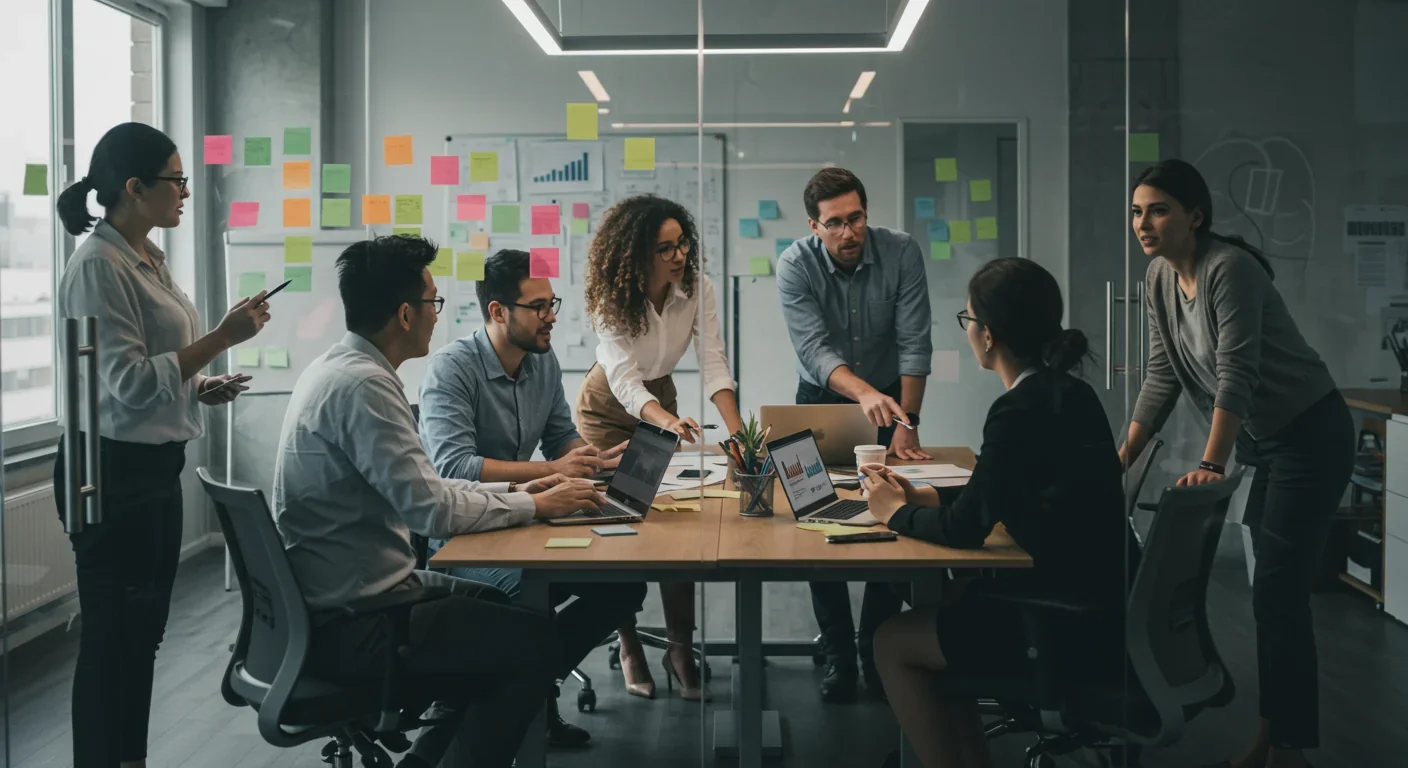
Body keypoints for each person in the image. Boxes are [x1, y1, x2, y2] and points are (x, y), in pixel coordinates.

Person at [273, 234, 608, 768]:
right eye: (433, 302)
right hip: (358, 619)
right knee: (535, 645)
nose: (437, 314)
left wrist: (524, 491)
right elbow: (431, 510)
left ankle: (431, 759)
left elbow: (430, 487)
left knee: (500, 617)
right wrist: (537, 504)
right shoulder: (364, 389)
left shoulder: (340, 369)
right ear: (405, 314)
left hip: (348, 597)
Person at [861, 257, 1137, 768]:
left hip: (1062, 623)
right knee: (948, 602)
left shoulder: (1017, 409)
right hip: (1103, 603)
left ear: (987, 336)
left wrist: (893, 513)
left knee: (891, 641)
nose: (969, 333)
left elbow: (967, 529)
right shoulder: (1070, 393)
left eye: (968, 321)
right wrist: (923, 497)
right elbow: (1006, 491)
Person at [52, 122, 268, 768]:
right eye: (175, 181)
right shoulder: (97, 265)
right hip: (111, 476)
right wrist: (223, 337)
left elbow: (150, 373)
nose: (184, 193)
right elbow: (123, 383)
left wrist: (200, 387)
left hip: (153, 471)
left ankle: (129, 761)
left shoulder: (146, 256)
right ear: (134, 187)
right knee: (112, 642)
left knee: (141, 640)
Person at [1123, 160, 1352, 768]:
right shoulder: (1158, 279)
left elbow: (1236, 375)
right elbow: (1162, 374)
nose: (1144, 222)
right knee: (1270, 595)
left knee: (1278, 590)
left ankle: (1288, 749)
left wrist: (1208, 462)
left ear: (1194, 216)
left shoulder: (1230, 269)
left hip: (1310, 434)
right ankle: (1276, 741)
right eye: (1138, 210)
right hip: (1261, 441)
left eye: (1160, 209)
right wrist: (1121, 458)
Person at [417, 248, 647, 747]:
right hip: (465, 539)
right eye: (538, 307)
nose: (552, 317)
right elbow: (454, 468)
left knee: (624, 587)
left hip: (529, 521)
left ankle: (522, 692)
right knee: (526, 599)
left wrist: (596, 459)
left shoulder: (542, 362)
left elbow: (561, 436)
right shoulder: (451, 370)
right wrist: (553, 469)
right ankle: (517, 703)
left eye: (552, 303)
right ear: (498, 312)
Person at [776, 167, 933, 702]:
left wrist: (905, 423)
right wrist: (862, 394)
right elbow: (814, 351)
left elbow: (915, 342)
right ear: (814, 226)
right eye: (835, 223)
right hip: (821, 397)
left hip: (893, 397)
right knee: (820, 522)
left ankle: (876, 649)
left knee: (892, 516)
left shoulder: (902, 252)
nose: (849, 232)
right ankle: (839, 653)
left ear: (867, 213)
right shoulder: (794, 264)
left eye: (857, 218)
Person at [578, 194, 743, 701]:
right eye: (665, 248)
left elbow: (713, 361)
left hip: (662, 396)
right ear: (636, 254)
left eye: (683, 244)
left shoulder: (697, 288)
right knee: (621, 523)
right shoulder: (612, 300)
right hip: (608, 410)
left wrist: (737, 433)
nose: (678, 257)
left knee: (676, 522)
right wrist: (667, 421)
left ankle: (678, 647)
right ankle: (628, 641)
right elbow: (625, 382)